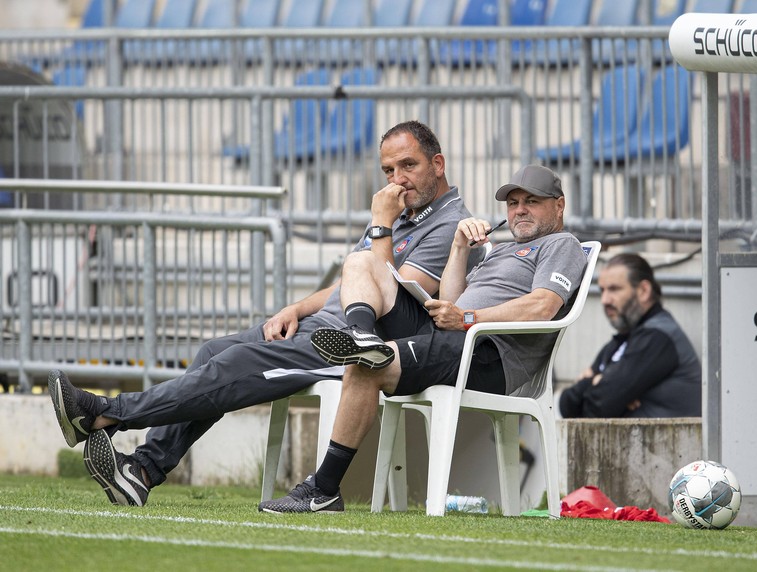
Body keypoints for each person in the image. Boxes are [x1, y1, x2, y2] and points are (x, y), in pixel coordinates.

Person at [47, 120, 484, 507]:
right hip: (319, 326)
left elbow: (388, 289)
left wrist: (381, 224)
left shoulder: (449, 224)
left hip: (357, 347)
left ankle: (106, 412)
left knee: (235, 364)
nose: (397, 180)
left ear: (438, 164)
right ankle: (141, 471)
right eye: (388, 170)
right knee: (213, 350)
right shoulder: (400, 215)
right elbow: (351, 282)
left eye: (408, 166)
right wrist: (294, 307)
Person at [257, 164, 588, 513]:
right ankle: (362, 332)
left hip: (489, 353)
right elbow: (453, 300)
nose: (519, 209)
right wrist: (459, 248)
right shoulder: (503, 250)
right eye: (513, 202)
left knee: (365, 368)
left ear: (559, 205)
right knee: (361, 261)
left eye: (531, 201)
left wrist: (468, 319)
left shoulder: (561, 244)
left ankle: (322, 489)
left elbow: (543, 306)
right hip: (452, 339)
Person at [558, 253, 701, 418]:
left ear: (643, 291)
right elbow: (567, 407)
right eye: (602, 290)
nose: (604, 300)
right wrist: (593, 383)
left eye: (614, 289)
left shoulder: (658, 337)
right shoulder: (620, 342)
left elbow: (598, 407)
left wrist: (593, 385)